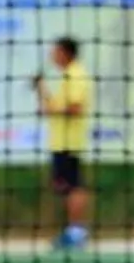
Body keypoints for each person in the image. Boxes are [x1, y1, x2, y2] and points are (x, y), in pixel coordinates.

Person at [33, 37, 93, 251]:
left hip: (70, 142)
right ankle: (73, 230)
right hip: (60, 142)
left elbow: (75, 108)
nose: (52, 56)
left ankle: (76, 232)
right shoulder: (67, 76)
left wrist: (51, 110)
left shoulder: (76, 74)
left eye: (55, 51)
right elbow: (53, 107)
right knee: (65, 187)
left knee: (74, 187)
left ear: (66, 52)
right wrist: (41, 88)